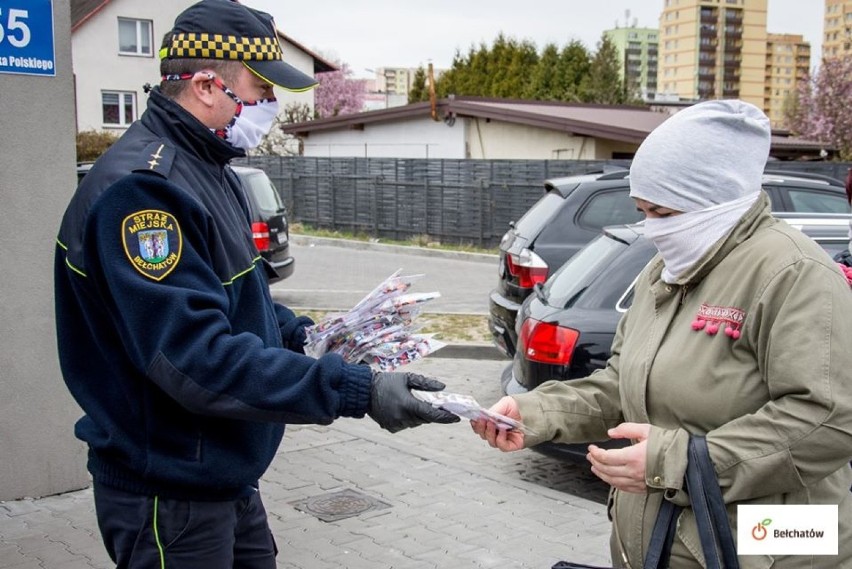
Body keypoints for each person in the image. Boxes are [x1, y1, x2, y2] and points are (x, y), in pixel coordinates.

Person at [54, 1, 458, 567]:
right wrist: (354, 390)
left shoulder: (210, 169)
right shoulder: (143, 193)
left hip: (222, 473)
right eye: (262, 87)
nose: (272, 104)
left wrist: (306, 336)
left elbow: (234, 304)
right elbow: (195, 359)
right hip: (169, 489)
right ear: (204, 84)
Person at [472, 100, 852, 568]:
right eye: (642, 210)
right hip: (657, 542)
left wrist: (679, 462)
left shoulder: (796, 274)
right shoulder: (665, 271)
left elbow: (829, 420)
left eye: (664, 213)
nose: (651, 229)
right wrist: (535, 412)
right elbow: (621, 385)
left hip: (768, 545)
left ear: (718, 200)